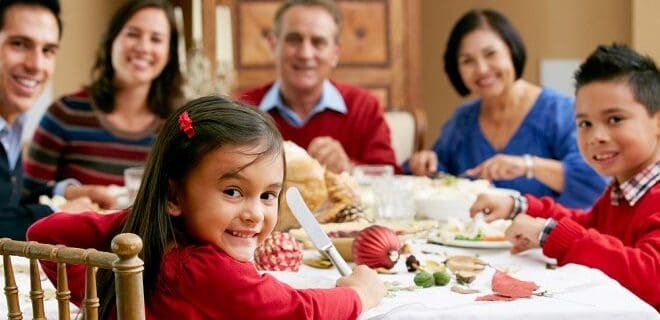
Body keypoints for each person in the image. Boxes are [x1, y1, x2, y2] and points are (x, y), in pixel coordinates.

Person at [27, 96, 386, 319]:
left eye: (268, 195)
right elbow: (299, 311)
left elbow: (44, 233)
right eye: (233, 191)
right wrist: (357, 295)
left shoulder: (152, 244)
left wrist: (127, 231)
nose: (255, 214)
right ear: (174, 197)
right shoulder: (208, 270)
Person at [470, 44, 660, 309]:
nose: (596, 137)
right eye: (585, 124)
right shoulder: (620, 192)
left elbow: (651, 277)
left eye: (615, 119)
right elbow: (588, 225)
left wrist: (548, 234)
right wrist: (520, 206)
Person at [405, 8, 606, 209]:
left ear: (512, 51)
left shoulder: (560, 112)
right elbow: (440, 173)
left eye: (490, 54)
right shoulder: (463, 120)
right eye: (468, 61)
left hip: (544, 235)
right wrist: (425, 164)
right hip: (474, 237)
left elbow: (595, 182)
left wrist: (527, 166)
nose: (482, 69)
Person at [23, 0, 183, 209]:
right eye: (133, 34)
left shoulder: (179, 127)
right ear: (111, 41)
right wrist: (72, 193)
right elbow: (25, 196)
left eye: (156, 39)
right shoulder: (64, 114)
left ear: (169, 54)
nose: (144, 47)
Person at [237, 0, 397, 174]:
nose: (305, 54)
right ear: (273, 45)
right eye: (294, 40)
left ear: (335, 53)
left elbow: (390, 179)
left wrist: (348, 168)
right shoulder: (243, 109)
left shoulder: (364, 107)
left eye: (318, 42)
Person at [0, 0, 92, 240]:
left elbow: (7, 197)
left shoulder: (11, 124)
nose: (36, 65)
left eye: (48, 50)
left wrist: (66, 191)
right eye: (19, 44)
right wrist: (57, 213)